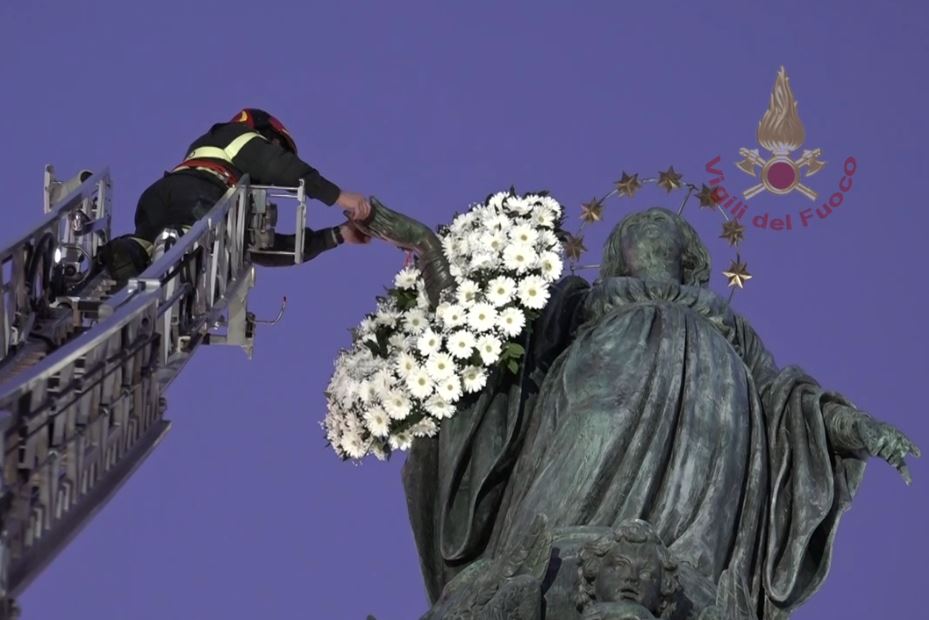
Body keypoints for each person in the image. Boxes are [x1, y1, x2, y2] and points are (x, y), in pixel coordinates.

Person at [100, 108, 371, 280]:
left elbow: (262, 250)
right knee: (192, 244)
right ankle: (174, 247)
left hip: (157, 199)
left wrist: (337, 236)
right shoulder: (235, 135)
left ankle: (124, 255)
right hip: (201, 196)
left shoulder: (210, 154)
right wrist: (339, 196)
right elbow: (276, 165)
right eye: (277, 146)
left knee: (145, 248)